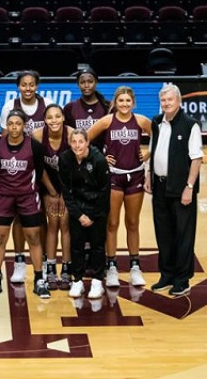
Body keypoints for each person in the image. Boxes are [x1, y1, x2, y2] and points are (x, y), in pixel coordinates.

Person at [87, 86, 152, 288]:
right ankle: (112, 266)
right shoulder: (107, 121)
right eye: (121, 101)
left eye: (128, 101)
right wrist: (100, 158)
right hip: (114, 177)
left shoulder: (141, 121)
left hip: (136, 176)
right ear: (115, 102)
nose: (124, 104)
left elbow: (159, 136)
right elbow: (84, 140)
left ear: (133, 103)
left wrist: (148, 153)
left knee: (132, 222)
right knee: (112, 223)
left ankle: (134, 266)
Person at [144, 84, 203, 297]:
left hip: (181, 189)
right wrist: (148, 175)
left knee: (183, 234)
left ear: (179, 101)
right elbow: (152, 151)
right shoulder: (157, 123)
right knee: (164, 233)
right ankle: (167, 274)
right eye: (163, 101)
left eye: (170, 100)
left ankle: (182, 279)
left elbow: (196, 158)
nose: (166, 104)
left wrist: (189, 187)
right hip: (159, 186)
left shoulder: (190, 125)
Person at [0, 110, 50, 299]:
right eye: (11, 123)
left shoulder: (35, 147)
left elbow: (39, 170)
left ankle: (39, 279)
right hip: (4, 196)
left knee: (34, 238)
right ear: (7, 125)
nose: (14, 127)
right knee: (0, 238)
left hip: (27, 197)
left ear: (24, 126)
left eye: (18, 123)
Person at [0, 70, 52, 284]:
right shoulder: (9, 106)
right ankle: (20, 261)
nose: (28, 88)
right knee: (19, 218)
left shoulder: (47, 103)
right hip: (19, 169)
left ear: (36, 86)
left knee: (43, 218)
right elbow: (3, 141)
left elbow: (53, 131)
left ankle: (47, 262)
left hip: (43, 165)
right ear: (18, 87)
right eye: (24, 85)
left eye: (31, 84)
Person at [58, 128, 111, 299]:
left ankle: (97, 281)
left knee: (97, 245)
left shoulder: (99, 160)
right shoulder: (65, 159)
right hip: (77, 209)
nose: (77, 145)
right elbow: (66, 190)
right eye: (74, 142)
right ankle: (77, 280)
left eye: (81, 141)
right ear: (69, 143)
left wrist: (93, 216)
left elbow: (105, 191)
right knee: (77, 246)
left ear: (87, 142)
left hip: (97, 208)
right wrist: (79, 215)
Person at [31, 104, 73, 291]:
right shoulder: (38, 135)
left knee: (65, 224)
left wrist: (65, 194)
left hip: (69, 184)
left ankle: (66, 268)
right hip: (47, 184)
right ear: (45, 120)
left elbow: (76, 167)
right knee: (51, 224)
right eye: (50, 117)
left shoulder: (71, 134)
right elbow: (38, 168)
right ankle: (50, 267)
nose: (54, 120)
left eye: (58, 116)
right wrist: (51, 191)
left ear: (63, 118)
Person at [63, 68, 110, 144]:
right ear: (78, 84)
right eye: (82, 82)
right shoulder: (69, 108)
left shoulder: (107, 107)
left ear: (96, 82)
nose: (86, 85)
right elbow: (66, 136)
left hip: (101, 154)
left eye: (90, 82)